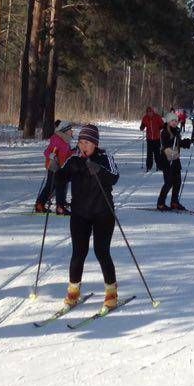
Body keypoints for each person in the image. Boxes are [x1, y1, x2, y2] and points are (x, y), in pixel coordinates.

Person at [54, 123, 121, 310]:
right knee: (78, 253)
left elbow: (115, 177)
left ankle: (111, 292)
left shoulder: (104, 157)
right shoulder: (74, 159)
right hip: (80, 214)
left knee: (101, 251)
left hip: (103, 213)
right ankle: (73, 291)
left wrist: (99, 170)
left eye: (87, 142)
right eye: (81, 141)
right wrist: (54, 169)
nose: (83, 146)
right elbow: (61, 178)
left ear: (95, 144)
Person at [155, 111, 194, 211]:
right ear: (168, 121)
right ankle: (160, 203)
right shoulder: (164, 131)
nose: (174, 122)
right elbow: (165, 144)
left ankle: (174, 202)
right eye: (172, 120)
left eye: (176, 121)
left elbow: (179, 143)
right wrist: (173, 141)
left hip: (175, 159)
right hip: (167, 160)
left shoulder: (176, 131)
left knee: (177, 182)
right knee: (168, 182)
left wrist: (189, 141)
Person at [36, 120, 73, 214]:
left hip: (62, 167)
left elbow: (67, 154)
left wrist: (74, 152)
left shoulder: (65, 140)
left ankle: (59, 206)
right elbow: (46, 152)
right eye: (70, 130)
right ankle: (42, 205)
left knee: (60, 185)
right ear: (64, 131)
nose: (72, 132)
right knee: (51, 186)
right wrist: (51, 155)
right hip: (54, 167)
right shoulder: (57, 140)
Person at [139, 106, 163, 172]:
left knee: (157, 153)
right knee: (149, 153)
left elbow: (162, 124)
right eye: (148, 112)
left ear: (152, 112)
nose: (149, 113)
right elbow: (143, 125)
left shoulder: (157, 117)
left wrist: (159, 128)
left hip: (157, 138)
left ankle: (159, 165)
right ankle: (149, 166)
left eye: (150, 112)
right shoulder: (145, 118)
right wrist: (142, 127)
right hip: (149, 138)